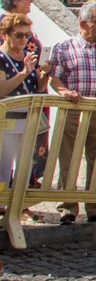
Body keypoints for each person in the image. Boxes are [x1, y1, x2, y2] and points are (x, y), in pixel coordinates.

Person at [48, 2, 96, 225]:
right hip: (73, 110)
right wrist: (64, 91)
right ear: (84, 24)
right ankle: (67, 207)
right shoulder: (64, 48)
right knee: (68, 158)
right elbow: (55, 77)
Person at [0, 12, 50, 222]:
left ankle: (18, 205)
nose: (23, 40)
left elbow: (37, 89)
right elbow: (2, 89)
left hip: (28, 117)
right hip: (7, 117)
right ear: (6, 34)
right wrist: (22, 72)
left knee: (25, 166)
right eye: (19, 35)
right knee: (3, 167)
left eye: (27, 36)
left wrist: (43, 76)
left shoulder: (27, 57)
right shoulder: (1, 57)